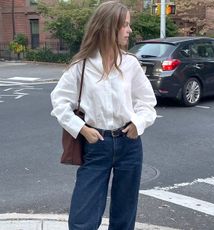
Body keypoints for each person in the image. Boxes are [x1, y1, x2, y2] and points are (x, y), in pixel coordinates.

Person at [50, 1, 157, 229]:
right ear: (109, 26)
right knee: (82, 219)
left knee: (124, 216)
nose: (129, 30)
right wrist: (81, 129)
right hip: (96, 144)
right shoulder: (82, 66)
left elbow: (147, 102)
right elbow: (59, 102)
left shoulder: (130, 64)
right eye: (125, 25)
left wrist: (139, 123)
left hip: (129, 144)